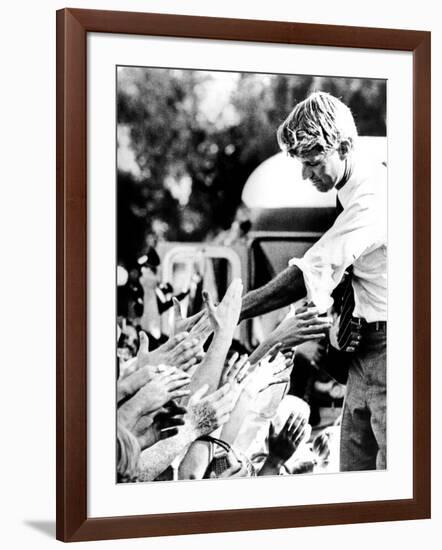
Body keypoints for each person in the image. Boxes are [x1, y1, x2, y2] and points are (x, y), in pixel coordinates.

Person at [240, 91, 387, 471]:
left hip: (391, 353)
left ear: (344, 146)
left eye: (314, 163)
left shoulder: (373, 196)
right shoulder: (351, 191)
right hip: (362, 355)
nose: (307, 176)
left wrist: (235, 312)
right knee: (354, 474)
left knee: (392, 482)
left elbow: (311, 271)